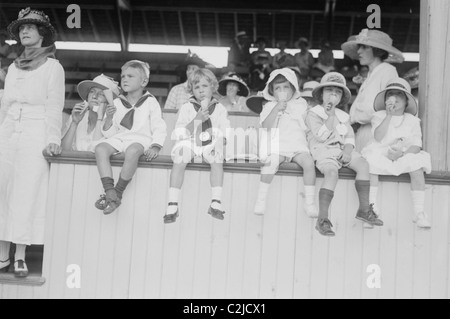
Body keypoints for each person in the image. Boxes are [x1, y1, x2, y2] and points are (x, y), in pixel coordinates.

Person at [0, 7, 65, 277]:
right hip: (9, 130)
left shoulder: (53, 67)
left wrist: (52, 138)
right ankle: (3, 255)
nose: (24, 32)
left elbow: (54, 106)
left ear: (42, 34)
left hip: (36, 130)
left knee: (27, 191)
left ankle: (21, 256)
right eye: (21, 29)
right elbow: (5, 104)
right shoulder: (13, 68)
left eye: (30, 27)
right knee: (3, 188)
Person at [305, 72, 383, 237]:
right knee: (332, 173)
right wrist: (330, 115)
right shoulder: (314, 113)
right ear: (321, 94)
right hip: (323, 149)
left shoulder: (343, 116)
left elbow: (349, 136)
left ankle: (363, 208)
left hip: (341, 149)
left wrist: (348, 150)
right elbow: (320, 135)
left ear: (341, 97)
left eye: (338, 92)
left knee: (363, 164)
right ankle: (323, 219)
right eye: (329, 90)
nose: (333, 94)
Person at [342, 29, 404, 217]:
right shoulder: (371, 74)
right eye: (359, 47)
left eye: (364, 47)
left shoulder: (387, 71)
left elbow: (381, 106)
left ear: (377, 51)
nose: (359, 51)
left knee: (370, 171)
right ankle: (363, 212)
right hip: (362, 131)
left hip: (375, 131)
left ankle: (370, 211)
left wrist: (357, 115)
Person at [94, 60, 167, 215]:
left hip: (141, 139)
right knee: (100, 148)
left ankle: (118, 192)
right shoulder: (117, 102)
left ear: (144, 81)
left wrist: (155, 146)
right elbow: (110, 133)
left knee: (133, 151)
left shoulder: (151, 102)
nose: (125, 79)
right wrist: (108, 118)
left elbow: (159, 126)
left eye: (130, 76)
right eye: (123, 76)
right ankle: (109, 191)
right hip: (121, 138)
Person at [361, 78, 432, 228]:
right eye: (390, 94)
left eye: (399, 94)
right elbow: (378, 137)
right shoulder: (379, 116)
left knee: (417, 164)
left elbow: (416, 145)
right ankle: (371, 209)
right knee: (371, 162)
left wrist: (402, 154)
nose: (394, 97)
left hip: (402, 154)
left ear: (406, 101)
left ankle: (419, 212)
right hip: (380, 152)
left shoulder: (413, 120)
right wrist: (388, 115)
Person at [164, 68, 230, 224]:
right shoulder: (187, 107)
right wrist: (197, 119)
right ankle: (172, 203)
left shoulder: (220, 109)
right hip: (190, 141)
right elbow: (180, 132)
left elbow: (224, 130)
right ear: (191, 90)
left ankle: (215, 202)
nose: (201, 91)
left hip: (210, 141)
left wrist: (221, 138)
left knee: (216, 159)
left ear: (213, 87)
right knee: (180, 158)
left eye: (204, 86)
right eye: (197, 87)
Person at [254, 68, 318, 217]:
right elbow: (266, 127)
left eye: (286, 87)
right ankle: (261, 200)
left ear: (293, 88)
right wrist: (276, 109)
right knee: (270, 163)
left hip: (297, 146)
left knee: (309, 164)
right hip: (278, 147)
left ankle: (309, 203)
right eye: (277, 88)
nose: (282, 91)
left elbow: (308, 125)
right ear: (272, 91)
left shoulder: (301, 104)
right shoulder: (269, 106)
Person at [61, 74, 120, 151]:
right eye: (92, 91)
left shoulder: (112, 121)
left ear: (110, 102)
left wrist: (100, 117)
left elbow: (95, 150)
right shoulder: (78, 116)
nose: (94, 96)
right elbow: (64, 150)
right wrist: (74, 123)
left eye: (102, 94)